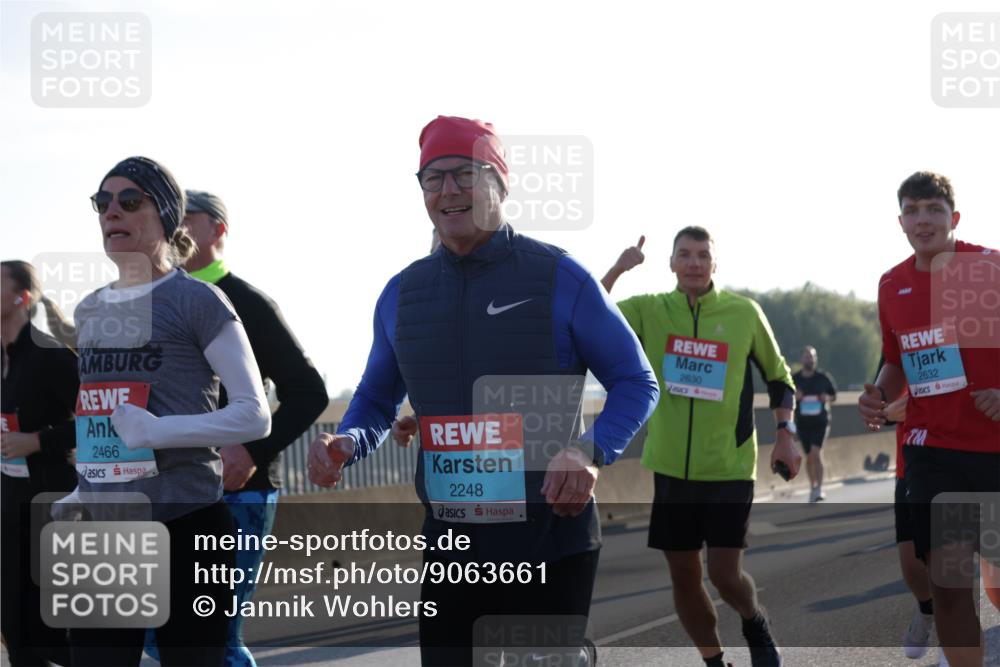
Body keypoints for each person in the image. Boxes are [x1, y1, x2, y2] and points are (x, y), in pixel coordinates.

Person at [308, 116, 659, 666]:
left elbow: (636, 381)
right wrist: (346, 443)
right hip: (452, 542)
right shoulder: (402, 294)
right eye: (432, 177)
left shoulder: (560, 277)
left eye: (464, 173)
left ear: (500, 183)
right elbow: (376, 400)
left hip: (548, 535)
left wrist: (588, 451)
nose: (447, 190)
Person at [68, 156, 271, 667]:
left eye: (129, 200)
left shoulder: (198, 300)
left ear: (165, 215)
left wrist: (160, 431)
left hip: (188, 522)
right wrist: (82, 485)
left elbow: (253, 415)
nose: (112, 211)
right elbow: (101, 413)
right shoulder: (90, 310)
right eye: (102, 202)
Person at [140, 191, 328, 667]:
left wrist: (251, 451)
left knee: (216, 637)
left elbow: (308, 391)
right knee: (150, 637)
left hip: (238, 490)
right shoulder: (144, 300)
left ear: (219, 230)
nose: (175, 223)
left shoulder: (245, 302)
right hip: (161, 489)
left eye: (189, 217)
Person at [602, 231, 800, 667]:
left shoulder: (744, 313)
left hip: (728, 466)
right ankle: (713, 661)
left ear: (715, 263)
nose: (694, 263)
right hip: (671, 467)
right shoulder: (652, 310)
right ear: (671, 263)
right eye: (685, 255)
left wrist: (785, 433)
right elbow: (592, 315)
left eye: (703, 255)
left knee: (725, 575)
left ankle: (753, 621)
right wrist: (619, 268)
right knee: (685, 577)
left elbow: (779, 376)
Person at [858, 171, 1000, 667]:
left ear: (954, 218)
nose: (923, 221)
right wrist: (879, 391)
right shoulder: (892, 283)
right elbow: (896, 359)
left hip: (995, 448)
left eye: (933, 210)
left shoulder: (989, 268)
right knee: (950, 588)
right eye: (912, 211)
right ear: (900, 221)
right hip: (933, 450)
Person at [1, 260, 78, 666]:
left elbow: (101, 421)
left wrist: (37, 440)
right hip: (8, 512)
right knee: (16, 633)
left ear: (20, 298)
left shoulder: (50, 356)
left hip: (52, 510)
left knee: (57, 639)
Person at [792, 345, 837, 502]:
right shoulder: (794, 379)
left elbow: (833, 395)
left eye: (812, 356)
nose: (809, 359)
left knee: (816, 453)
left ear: (815, 359)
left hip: (820, 422)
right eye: (806, 356)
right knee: (809, 457)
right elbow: (786, 397)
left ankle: (819, 489)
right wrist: (795, 397)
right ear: (801, 359)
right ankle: (812, 486)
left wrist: (827, 398)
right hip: (803, 423)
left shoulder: (823, 378)